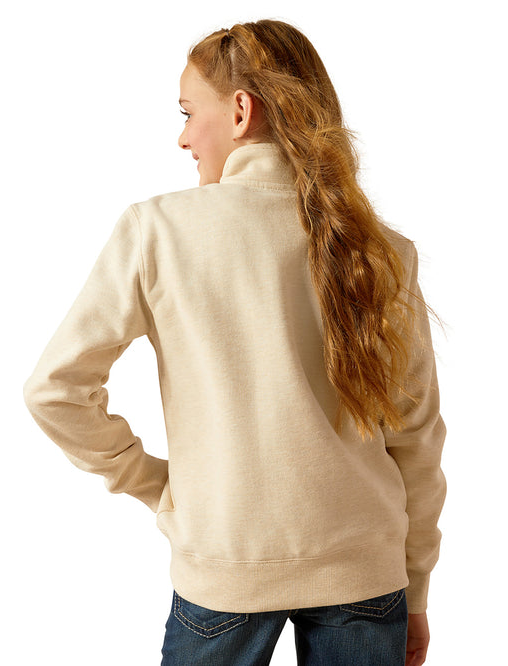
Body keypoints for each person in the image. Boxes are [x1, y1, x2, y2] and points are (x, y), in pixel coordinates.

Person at [23, 18, 446, 666]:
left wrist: (159, 487)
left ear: (241, 111)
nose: (183, 137)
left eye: (189, 112)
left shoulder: (158, 230)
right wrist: (415, 588)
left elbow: (54, 391)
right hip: (367, 574)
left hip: (225, 563)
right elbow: (416, 438)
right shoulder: (379, 248)